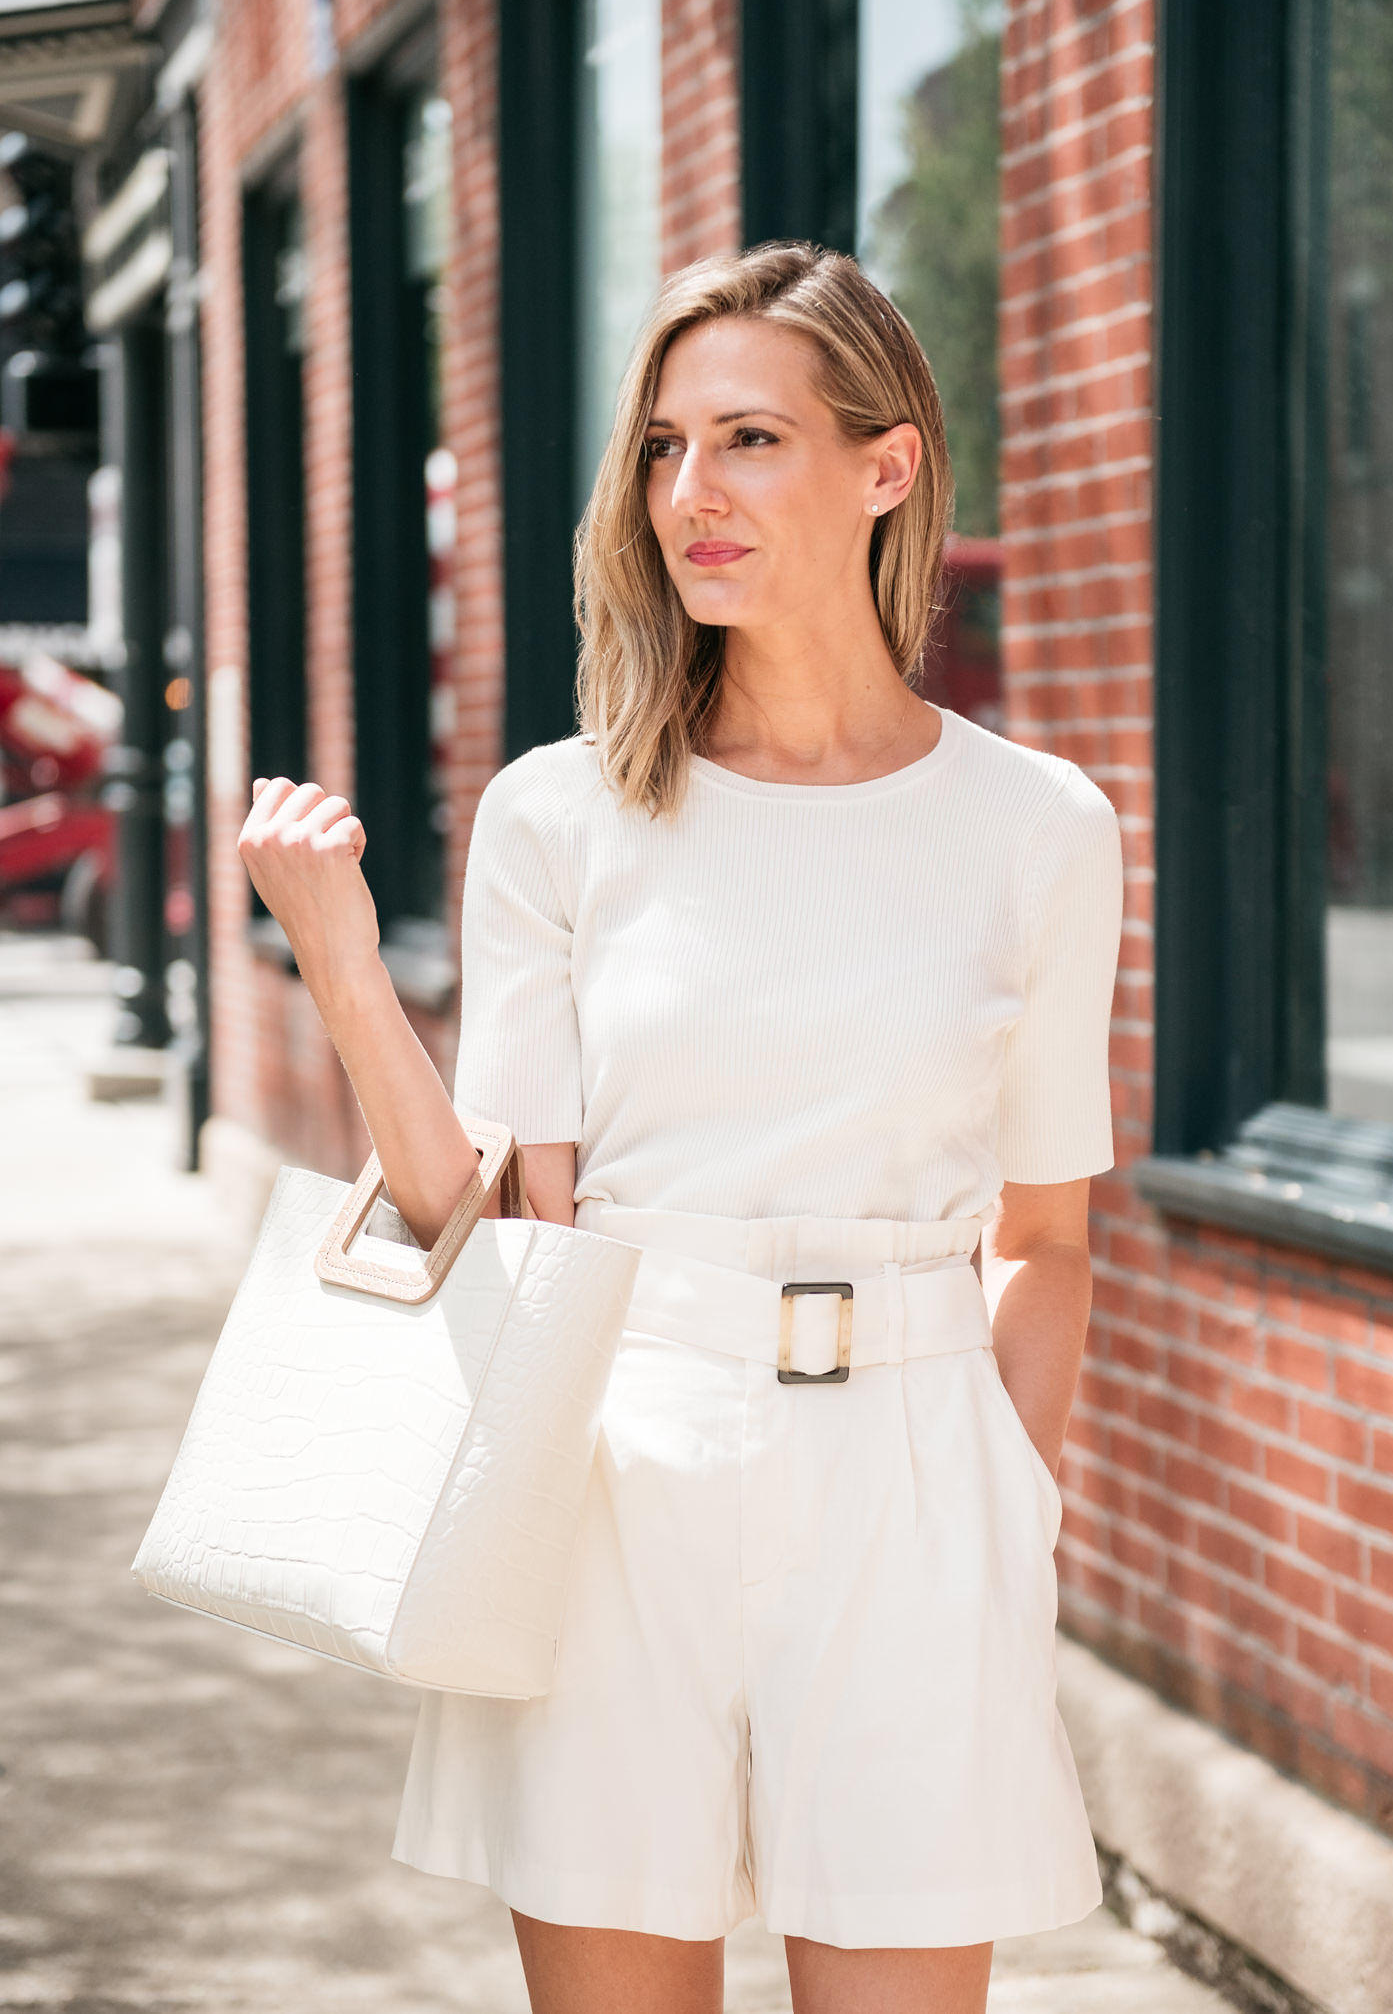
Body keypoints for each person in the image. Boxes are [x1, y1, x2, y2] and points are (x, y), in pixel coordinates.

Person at [238, 241, 1124, 2014]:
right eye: (661, 446)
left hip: (917, 1478)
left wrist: (1003, 1515)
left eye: (747, 440)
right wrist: (341, 960)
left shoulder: (1036, 824)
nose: (688, 494)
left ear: (888, 468)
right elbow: (505, 1233)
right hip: (612, 1471)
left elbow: (1046, 1234)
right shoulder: (563, 815)